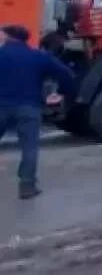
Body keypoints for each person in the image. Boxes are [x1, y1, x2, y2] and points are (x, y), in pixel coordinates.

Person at [0, 24, 75, 199]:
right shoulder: (38, 56)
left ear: (10, 37)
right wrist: (60, 94)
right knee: (29, 147)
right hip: (29, 107)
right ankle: (27, 186)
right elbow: (66, 75)